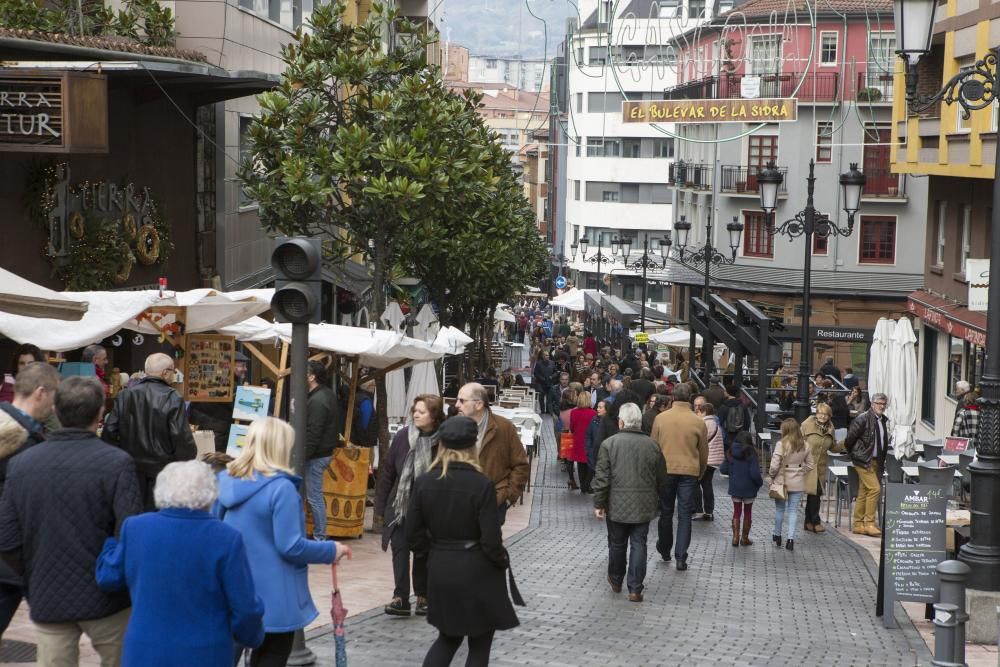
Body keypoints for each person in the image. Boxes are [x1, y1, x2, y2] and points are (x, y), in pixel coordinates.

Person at [0, 376, 141, 666]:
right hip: (106, 595)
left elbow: (7, 536)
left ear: (56, 410)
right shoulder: (116, 462)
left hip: (48, 592)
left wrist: (30, 577)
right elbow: (130, 531)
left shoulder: (23, 463)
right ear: (100, 413)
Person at [95, 460, 265, 666]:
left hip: (145, 651)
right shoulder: (226, 538)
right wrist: (252, 638)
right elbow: (245, 608)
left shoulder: (135, 528)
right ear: (210, 493)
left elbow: (109, 578)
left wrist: (109, 543)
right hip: (204, 654)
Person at [216, 417, 351, 666]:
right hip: (274, 597)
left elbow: (215, 534)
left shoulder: (226, 482)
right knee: (271, 656)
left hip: (234, 589)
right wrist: (331, 549)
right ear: (279, 447)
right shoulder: (282, 489)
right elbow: (291, 546)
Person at [405, 416, 521, 666]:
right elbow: (491, 538)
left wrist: (435, 551)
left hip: (441, 567)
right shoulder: (481, 485)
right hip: (476, 568)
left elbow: (413, 533)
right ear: (472, 446)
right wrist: (499, 560)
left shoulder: (425, 482)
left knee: (447, 638)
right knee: (479, 643)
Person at [0, 362, 58, 640]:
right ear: (40, 392)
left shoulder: (14, 429)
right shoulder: (23, 443)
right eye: (54, 397)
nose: (54, 406)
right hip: (8, 559)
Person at [374, 395, 444, 617]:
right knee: (400, 549)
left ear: (434, 416)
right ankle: (400, 597)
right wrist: (380, 508)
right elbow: (388, 474)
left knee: (423, 551)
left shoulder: (443, 441)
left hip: (428, 509)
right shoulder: (403, 437)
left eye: (422, 412)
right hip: (401, 505)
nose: (416, 414)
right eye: (415, 410)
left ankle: (423, 596)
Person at [592, 403, 667, 602]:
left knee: (617, 543)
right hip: (644, 503)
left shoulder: (609, 444)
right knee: (639, 543)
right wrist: (658, 500)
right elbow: (661, 477)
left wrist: (599, 504)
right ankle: (635, 588)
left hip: (616, 503)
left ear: (621, 421)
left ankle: (616, 579)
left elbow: (602, 478)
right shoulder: (652, 445)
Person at [103, 352, 197, 510]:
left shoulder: (125, 395)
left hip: (131, 469)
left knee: (132, 514)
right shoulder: (172, 397)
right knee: (158, 517)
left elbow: (110, 433)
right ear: (165, 372)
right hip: (162, 472)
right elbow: (181, 438)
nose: (173, 376)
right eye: (173, 372)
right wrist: (184, 461)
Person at [650, 383, 708, 570]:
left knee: (666, 511)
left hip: (666, 470)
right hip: (689, 471)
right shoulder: (698, 422)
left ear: (672, 397)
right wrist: (700, 471)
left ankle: (665, 548)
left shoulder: (660, 419)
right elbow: (703, 451)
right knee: (684, 515)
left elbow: (653, 447)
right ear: (690, 398)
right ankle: (681, 556)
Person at [456, 383, 530, 525]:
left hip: (492, 502)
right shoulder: (453, 427)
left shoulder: (503, 428)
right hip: (459, 503)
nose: (457, 404)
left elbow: (521, 465)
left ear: (478, 404)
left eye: (462, 400)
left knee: (488, 545)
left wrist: (507, 498)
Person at [845, 392, 890, 537]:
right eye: (879, 403)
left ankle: (858, 524)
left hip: (876, 460)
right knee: (875, 489)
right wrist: (858, 454)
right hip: (864, 460)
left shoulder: (882, 420)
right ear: (872, 403)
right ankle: (869, 523)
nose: (882, 406)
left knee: (864, 491)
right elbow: (849, 439)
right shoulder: (863, 418)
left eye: (884, 404)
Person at [768, 418, 816, 551]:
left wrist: (772, 476)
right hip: (797, 481)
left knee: (779, 510)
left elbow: (774, 465)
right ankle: (791, 539)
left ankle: (777, 535)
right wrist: (800, 471)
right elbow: (811, 464)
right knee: (793, 511)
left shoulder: (781, 444)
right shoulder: (805, 445)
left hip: (781, 480)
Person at [305, 360, 337, 540]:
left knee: (314, 498)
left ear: (311, 377)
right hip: (321, 453)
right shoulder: (325, 395)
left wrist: (303, 455)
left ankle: (319, 537)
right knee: (313, 496)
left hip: (316, 456)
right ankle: (319, 535)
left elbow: (313, 432)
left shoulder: (318, 400)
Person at [801, 403, 845, 534]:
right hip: (807, 465)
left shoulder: (831, 428)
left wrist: (845, 443)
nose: (822, 416)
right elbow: (797, 443)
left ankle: (808, 522)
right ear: (816, 414)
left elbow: (833, 447)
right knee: (815, 493)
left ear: (829, 416)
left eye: (825, 414)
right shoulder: (806, 425)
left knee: (814, 494)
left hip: (820, 466)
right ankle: (815, 521)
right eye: (820, 413)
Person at [727, 431, 764, 547]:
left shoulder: (731, 451)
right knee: (748, 511)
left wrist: (733, 472)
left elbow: (723, 468)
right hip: (749, 488)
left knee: (737, 511)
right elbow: (755, 474)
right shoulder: (751, 453)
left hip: (735, 487)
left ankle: (735, 538)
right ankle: (744, 538)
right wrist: (760, 483)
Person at [693, 402, 725, 522]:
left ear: (704, 412)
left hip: (706, 459)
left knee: (695, 484)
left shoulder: (704, 424)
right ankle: (709, 511)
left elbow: (699, 441)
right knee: (707, 485)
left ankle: (699, 511)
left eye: (699, 412)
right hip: (714, 461)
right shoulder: (715, 423)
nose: (697, 414)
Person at [569, 391, 597, 494]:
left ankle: (583, 485)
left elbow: (572, 427)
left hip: (578, 440)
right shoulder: (593, 413)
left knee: (580, 464)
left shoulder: (574, 412)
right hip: (590, 442)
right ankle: (587, 485)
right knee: (590, 464)